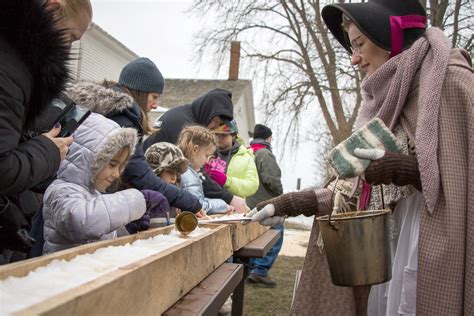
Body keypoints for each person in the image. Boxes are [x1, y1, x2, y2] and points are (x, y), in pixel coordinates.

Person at [249, 0, 473, 315]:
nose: (354, 59)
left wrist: (406, 169)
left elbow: (464, 181)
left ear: (389, 37)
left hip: (432, 243)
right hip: (387, 251)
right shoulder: (385, 102)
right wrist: (291, 203)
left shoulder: (451, 82)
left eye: (359, 45)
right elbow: (353, 191)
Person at [0, 0, 92, 257]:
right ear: (52, 9)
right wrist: (48, 151)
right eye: (71, 37)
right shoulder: (11, 68)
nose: (69, 48)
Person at [66, 58, 204, 216]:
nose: (156, 105)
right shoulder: (121, 120)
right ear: (140, 92)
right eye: (154, 97)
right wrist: (189, 201)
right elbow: (141, 176)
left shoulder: (114, 113)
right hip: (85, 209)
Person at [42, 113, 169, 254]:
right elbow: (83, 222)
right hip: (64, 273)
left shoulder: (94, 194)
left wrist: (125, 228)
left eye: (120, 167)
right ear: (89, 159)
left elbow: (100, 233)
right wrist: (138, 200)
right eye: (112, 165)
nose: (116, 174)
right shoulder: (60, 190)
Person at [142, 88, 248, 214]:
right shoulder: (183, 126)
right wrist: (228, 199)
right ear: (209, 111)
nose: (215, 127)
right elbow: (193, 173)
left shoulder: (184, 117)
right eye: (217, 121)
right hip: (150, 200)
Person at [246, 124, 284, 287]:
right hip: (265, 203)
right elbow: (272, 180)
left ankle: (251, 270)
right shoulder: (264, 153)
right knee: (276, 234)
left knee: (253, 239)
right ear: (268, 138)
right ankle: (260, 271)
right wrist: (281, 196)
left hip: (248, 203)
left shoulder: (247, 152)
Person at [178, 126, 233, 215]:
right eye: (206, 155)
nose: (207, 161)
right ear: (195, 149)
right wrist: (223, 205)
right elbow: (198, 206)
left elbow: (199, 199)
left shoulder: (189, 171)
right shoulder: (187, 173)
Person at [208, 120, 259, 199]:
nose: (218, 138)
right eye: (216, 134)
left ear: (233, 135)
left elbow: (252, 185)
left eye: (223, 135)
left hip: (234, 209)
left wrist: (227, 181)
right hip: (209, 208)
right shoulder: (206, 154)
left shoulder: (246, 158)